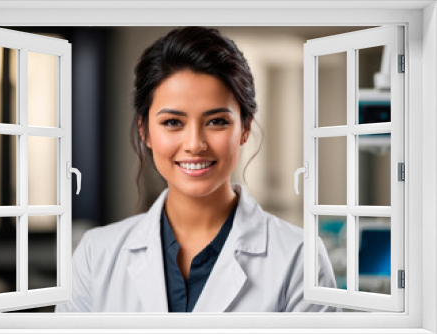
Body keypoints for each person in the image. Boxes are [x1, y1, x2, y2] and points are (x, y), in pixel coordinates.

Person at [55, 26, 338, 313]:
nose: (195, 144)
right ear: (145, 131)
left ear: (244, 129)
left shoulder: (299, 258)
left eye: (216, 121)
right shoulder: (95, 255)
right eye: (172, 122)